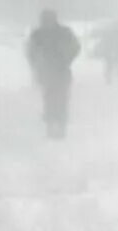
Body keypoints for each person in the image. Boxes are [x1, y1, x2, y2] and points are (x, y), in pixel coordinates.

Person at [25, 10, 81, 139]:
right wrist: (35, 63)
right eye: (45, 19)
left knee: (60, 99)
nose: (46, 22)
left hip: (59, 71)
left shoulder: (58, 33)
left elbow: (76, 47)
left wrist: (67, 58)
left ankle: (59, 126)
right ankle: (52, 125)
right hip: (49, 72)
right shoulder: (39, 34)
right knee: (51, 98)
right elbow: (30, 51)